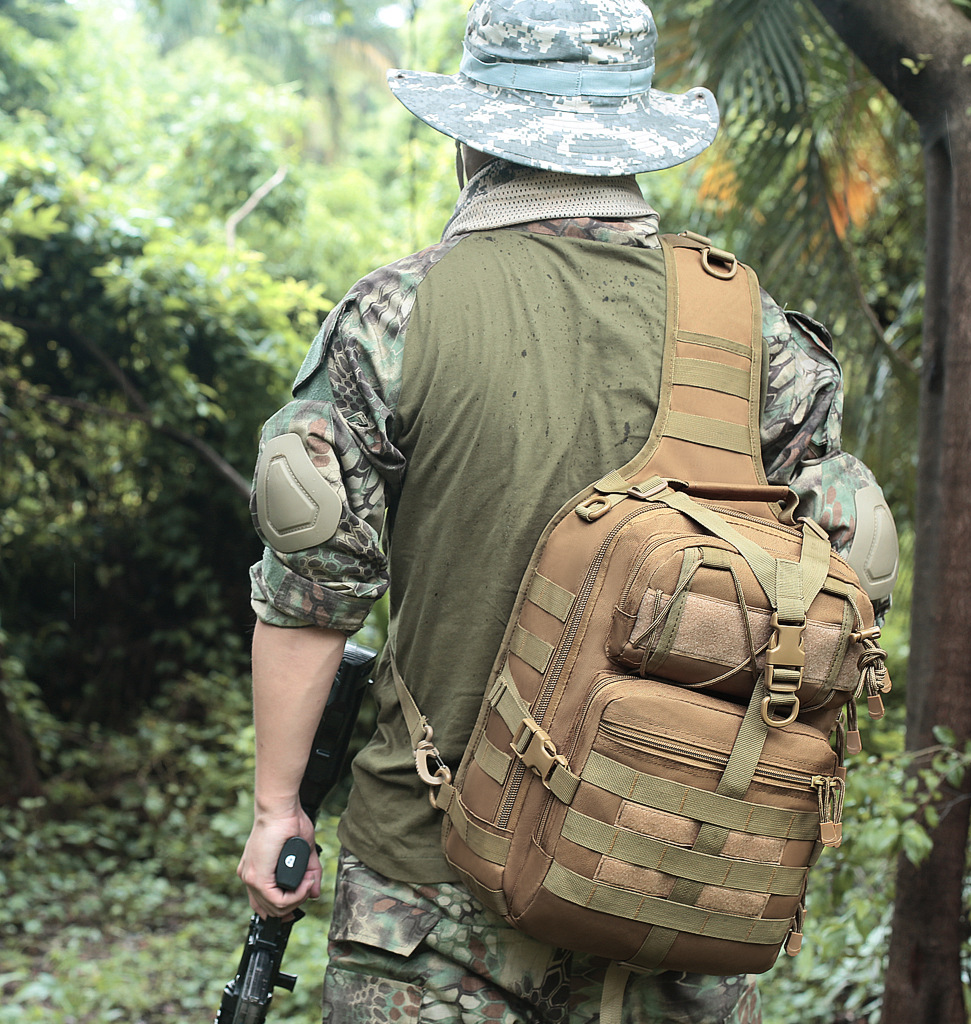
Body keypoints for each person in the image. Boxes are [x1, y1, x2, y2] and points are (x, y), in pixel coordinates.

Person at [238, 1, 898, 1022]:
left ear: (472, 136)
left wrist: (279, 808)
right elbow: (855, 582)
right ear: (632, 137)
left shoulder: (398, 320)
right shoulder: (757, 335)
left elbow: (311, 598)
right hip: (677, 876)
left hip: (433, 888)